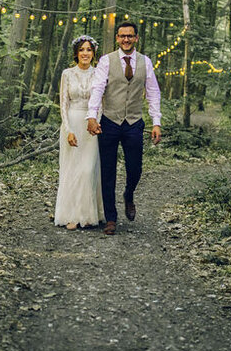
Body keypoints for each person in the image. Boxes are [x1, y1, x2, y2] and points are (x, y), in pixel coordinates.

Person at [86, 21, 162, 235]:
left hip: (134, 123)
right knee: (107, 171)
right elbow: (97, 88)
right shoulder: (106, 61)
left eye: (130, 36)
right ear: (117, 38)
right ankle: (111, 218)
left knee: (135, 168)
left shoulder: (145, 62)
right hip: (109, 121)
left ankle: (129, 194)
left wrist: (156, 122)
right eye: (122, 36)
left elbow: (153, 92)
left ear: (136, 38)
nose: (126, 39)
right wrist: (92, 116)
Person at [54, 35, 105, 230]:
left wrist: (96, 123)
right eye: (82, 50)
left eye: (89, 50)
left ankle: (90, 213)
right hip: (72, 123)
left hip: (91, 125)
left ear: (93, 53)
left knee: (88, 170)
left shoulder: (99, 73)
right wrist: (68, 129)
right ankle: (72, 215)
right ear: (76, 53)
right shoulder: (67, 74)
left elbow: (101, 102)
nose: (85, 53)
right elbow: (63, 104)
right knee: (72, 170)